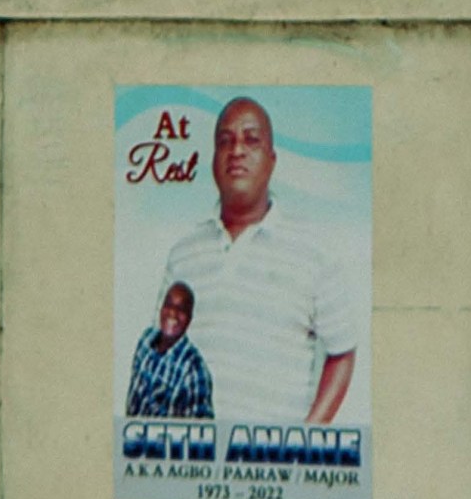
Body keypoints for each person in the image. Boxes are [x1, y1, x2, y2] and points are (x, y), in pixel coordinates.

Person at [161, 97, 356, 425]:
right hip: (191, 464)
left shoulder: (313, 249)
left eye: (251, 140)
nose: (236, 150)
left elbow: (342, 351)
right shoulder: (183, 254)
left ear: (271, 160)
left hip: (271, 466)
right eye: (225, 141)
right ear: (213, 161)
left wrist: (304, 442)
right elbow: (162, 350)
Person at [124, 281, 215, 420]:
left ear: (189, 319)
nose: (173, 312)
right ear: (161, 308)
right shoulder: (145, 341)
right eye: (169, 304)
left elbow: (201, 435)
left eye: (182, 308)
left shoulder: (195, 371)